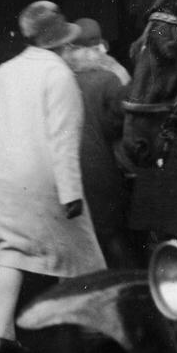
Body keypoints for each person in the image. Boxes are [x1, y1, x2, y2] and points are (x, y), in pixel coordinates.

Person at [0, 1, 106, 353]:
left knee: (10, 252)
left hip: (5, 175)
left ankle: (4, 333)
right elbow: (64, 138)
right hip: (47, 178)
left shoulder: (5, 70)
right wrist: (71, 191)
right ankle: (90, 331)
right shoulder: (59, 75)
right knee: (83, 255)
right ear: (61, 42)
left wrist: (1, 138)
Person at [62, 18, 137, 269]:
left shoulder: (61, 76)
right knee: (111, 235)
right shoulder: (112, 76)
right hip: (103, 167)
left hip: (65, 170)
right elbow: (122, 124)